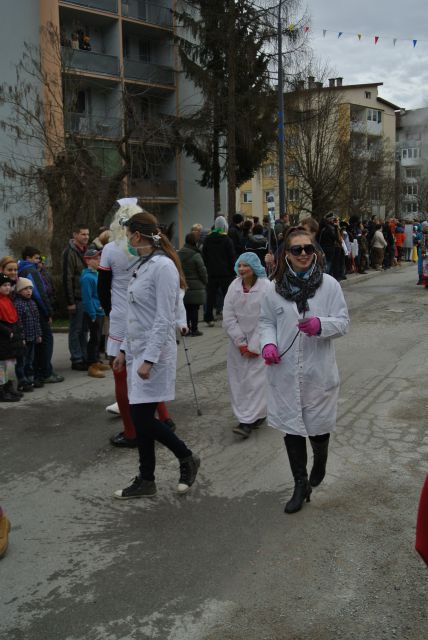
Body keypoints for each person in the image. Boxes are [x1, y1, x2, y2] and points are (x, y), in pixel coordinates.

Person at [259, 228, 349, 514]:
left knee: (318, 427)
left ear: (315, 251)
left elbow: (343, 322)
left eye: (308, 249)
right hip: (284, 370)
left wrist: (320, 325)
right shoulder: (273, 289)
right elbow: (265, 322)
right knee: (291, 428)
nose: (303, 254)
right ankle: (300, 484)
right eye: (296, 249)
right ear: (286, 253)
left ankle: (320, 459)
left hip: (317, 370)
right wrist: (268, 345)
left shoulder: (330, 285)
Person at [112, 211, 200, 499]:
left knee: (141, 418)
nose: (126, 240)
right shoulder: (143, 264)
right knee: (142, 417)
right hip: (138, 351)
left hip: (155, 354)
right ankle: (147, 479)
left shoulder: (163, 267)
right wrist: (123, 350)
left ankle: (186, 457)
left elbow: (164, 318)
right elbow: (134, 316)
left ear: (138, 235)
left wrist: (148, 360)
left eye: (128, 235)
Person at [98, 201, 178, 447]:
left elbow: (103, 288)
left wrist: (111, 311)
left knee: (128, 380)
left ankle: (133, 431)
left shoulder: (114, 250)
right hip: (133, 322)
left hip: (130, 320)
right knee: (140, 382)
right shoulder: (146, 259)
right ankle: (162, 420)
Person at [223, 252, 269, 438]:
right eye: (239, 265)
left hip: (260, 342)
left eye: (246, 265)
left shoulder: (267, 288)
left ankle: (246, 422)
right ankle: (251, 415)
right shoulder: (233, 287)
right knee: (239, 381)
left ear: (255, 267)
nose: (241, 269)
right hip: (237, 346)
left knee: (256, 382)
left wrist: (254, 345)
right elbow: (228, 316)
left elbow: (267, 317)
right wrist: (240, 342)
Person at [18, 246, 64, 385]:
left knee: (36, 345)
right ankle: (45, 372)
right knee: (46, 342)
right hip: (38, 311)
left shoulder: (21, 269)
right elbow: (39, 293)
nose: (39, 261)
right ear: (28, 258)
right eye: (36, 258)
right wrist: (48, 312)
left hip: (30, 311)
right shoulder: (31, 270)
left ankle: (38, 372)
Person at [62, 224, 90, 370]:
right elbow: (67, 277)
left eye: (87, 234)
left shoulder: (87, 251)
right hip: (77, 299)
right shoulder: (70, 252)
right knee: (76, 330)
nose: (86, 237)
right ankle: (76, 359)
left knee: (84, 330)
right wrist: (70, 301)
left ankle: (84, 356)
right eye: (83, 234)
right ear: (75, 235)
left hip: (86, 297)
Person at [80, 249, 109, 379]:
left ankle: (96, 361)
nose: (99, 261)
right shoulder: (87, 277)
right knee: (94, 338)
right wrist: (92, 313)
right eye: (96, 259)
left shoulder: (96, 274)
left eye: (99, 258)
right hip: (94, 312)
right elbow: (87, 298)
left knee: (98, 338)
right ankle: (92, 365)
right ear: (88, 261)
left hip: (100, 310)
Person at [202, 215, 235, 326]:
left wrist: (208, 267)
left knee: (210, 295)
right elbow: (231, 257)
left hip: (211, 272)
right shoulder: (227, 240)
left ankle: (208, 317)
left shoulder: (207, 239)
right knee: (227, 296)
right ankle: (228, 317)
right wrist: (232, 270)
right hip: (226, 273)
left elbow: (204, 255)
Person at [14, 277, 42, 392]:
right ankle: (22, 381)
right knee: (22, 361)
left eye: (30, 288)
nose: (28, 291)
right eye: (25, 288)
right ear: (19, 290)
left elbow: (37, 320)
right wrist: (21, 338)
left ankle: (30, 379)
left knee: (30, 359)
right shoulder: (18, 304)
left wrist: (38, 334)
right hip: (24, 339)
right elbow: (18, 323)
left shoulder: (32, 303)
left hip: (33, 337)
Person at [178, 232, 208, 337]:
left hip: (183, 285)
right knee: (194, 309)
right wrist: (205, 281)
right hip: (196, 286)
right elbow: (202, 271)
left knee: (185, 308)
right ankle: (194, 329)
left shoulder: (179, 253)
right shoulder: (196, 255)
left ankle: (185, 329)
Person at [0, 273, 24, 402]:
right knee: (1, 366)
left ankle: (7, 387)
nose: (7, 287)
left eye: (9, 285)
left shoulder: (7, 299)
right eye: (4, 285)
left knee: (7, 364)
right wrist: (7, 331)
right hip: (3, 337)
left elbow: (13, 316)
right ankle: (1, 390)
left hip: (9, 338)